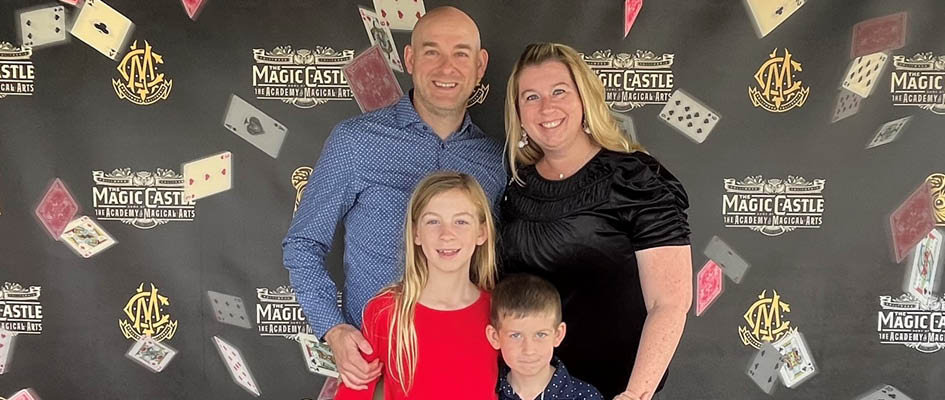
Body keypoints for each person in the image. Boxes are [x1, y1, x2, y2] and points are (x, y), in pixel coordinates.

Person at [282, 6, 504, 390]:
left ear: (480, 65)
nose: (446, 68)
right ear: (410, 59)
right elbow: (303, 243)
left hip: (466, 366)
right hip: (378, 369)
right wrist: (333, 330)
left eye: (461, 54)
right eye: (432, 51)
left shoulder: (496, 160)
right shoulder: (355, 142)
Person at [499, 42, 693, 400]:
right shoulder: (515, 188)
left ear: (584, 99)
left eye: (559, 91)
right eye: (531, 97)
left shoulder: (634, 180)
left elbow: (670, 302)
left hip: (614, 390)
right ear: (519, 113)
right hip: (529, 390)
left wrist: (636, 394)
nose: (547, 107)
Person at [334, 171, 500, 399]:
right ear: (416, 233)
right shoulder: (386, 312)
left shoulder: (498, 312)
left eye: (461, 221)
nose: (447, 235)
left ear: (481, 232)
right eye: (433, 221)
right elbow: (353, 394)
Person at [487, 274, 603, 400]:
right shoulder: (484, 391)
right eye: (515, 335)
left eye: (540, 335)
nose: (529, 350)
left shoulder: (585, 396)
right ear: (495, 337)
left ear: (558, 334)